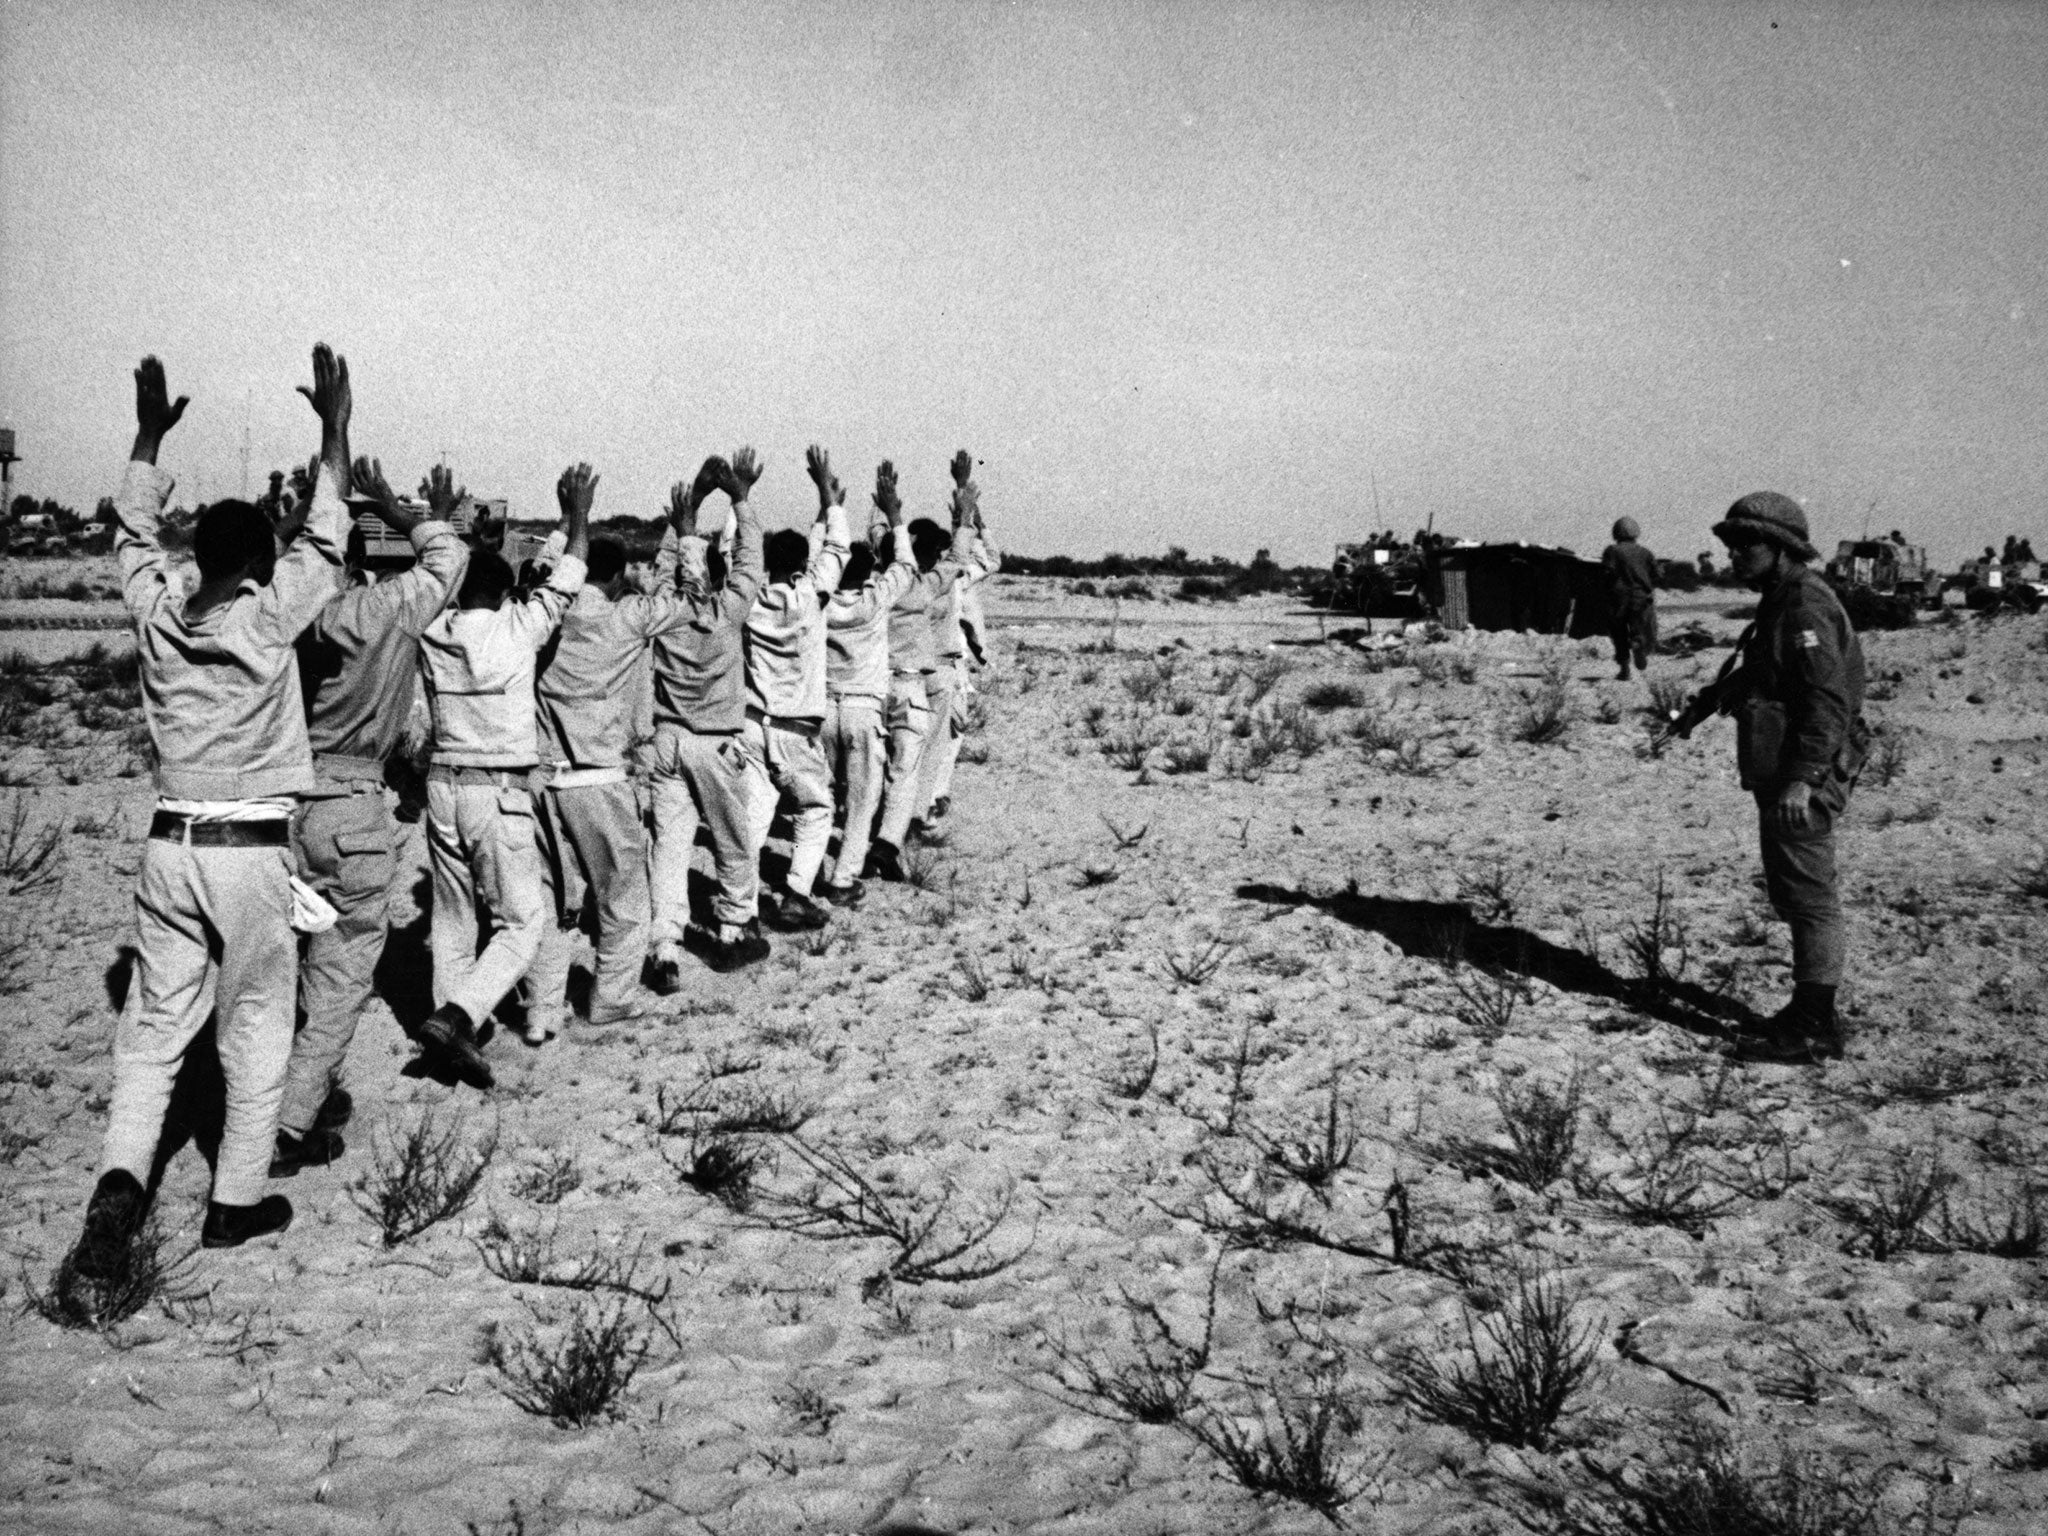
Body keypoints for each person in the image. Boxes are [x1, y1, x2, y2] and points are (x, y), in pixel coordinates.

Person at [69, 347, 352, 1278]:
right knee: (259, 1023)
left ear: (200, 559)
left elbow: (131, 535)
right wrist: (335, 430)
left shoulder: (160, 615)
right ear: (261, 564)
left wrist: (148, 436)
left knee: (153, 1031)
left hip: (169, 846)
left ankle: (120, 1185)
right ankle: (234, 1201)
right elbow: (327, 538)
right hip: (249, 850)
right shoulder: (267, 620)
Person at [272, 455, 469, 1175]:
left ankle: (279, 1094)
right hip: (350, 804)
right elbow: (447, 558)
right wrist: (395, 507)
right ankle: (287, 1124)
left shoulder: (271, 612)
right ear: (355, 563)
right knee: (341, 975)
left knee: (275, 973)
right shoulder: (376, 611)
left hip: (275, 800)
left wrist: (299, 517)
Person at [1660, 491, 1868, 1064]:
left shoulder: (1803, 606)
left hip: (1803, 770)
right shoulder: (1781, 599)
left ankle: (1813, 1025)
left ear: (1780, 547)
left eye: (1744, 545)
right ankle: (1809, 1012)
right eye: (1730, 545)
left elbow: (1827, 701)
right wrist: (1701, 708)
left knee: (1808, 894)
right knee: (1794, 890)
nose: (1733, 556)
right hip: (1787, 766)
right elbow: (1762, 670)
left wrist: (1804, 779)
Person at [527, 466, 733, 1040]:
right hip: (598, 779)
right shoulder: (627, 618)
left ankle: (541, 1011)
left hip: (540, 780)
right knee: (623, 898)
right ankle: (611, 999)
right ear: (619, 577)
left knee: (550, 902)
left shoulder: (544, 613)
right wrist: (686, 533)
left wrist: (572, 518)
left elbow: (544, 571)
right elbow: (695, 600)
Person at [415, 466, 589, 1086]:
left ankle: (449, 1024)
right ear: (507, 592)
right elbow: (567, 574)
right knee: (523, 920)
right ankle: (460, 1015)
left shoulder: (434, 629)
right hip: (498, 787)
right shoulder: (520, 626)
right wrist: (577, 515)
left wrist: (440, 521)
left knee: (453, 917)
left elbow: (441, 575)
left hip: (443, 782)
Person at [645, 452, 771, 980]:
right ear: (717, 580)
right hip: (715, 742)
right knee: (732, 841)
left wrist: (688, 514)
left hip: (666, 741)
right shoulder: (727, 613)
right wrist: (740, 498)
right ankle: (732, 930)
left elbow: (663, 568)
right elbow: (750, 562)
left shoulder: (660, 611)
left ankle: (664, 946)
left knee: (669, 846)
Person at [740, 445, 851, 930]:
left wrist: (741, 497)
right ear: (802, 564)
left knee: (754, 815)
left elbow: (736, 552)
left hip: (750, 725)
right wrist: (829, 498)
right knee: (816, 807)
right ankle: (796, 894)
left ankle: (741, 906)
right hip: (794, 729)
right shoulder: (809, 597)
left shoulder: (749, 598)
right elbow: (837, 551)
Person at [818, 478, 917, 904]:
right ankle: (843, 878)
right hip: (862, 710)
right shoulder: (874, 600)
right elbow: (906, 567)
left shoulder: (818, 600)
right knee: (861, 801)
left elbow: (818, 558)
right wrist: (895, 516)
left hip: (823, 708)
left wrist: (827, 509)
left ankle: (807, 871)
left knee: (821, 799)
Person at [914, 452, 1000, 828]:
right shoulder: (953, 578)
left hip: (905, 670)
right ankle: (931, 802)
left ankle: (924, 801)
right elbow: (990, 558)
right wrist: (967, 507)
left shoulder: (895, 580)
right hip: (946, 669)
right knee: (946, 737)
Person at [1600, 517, 1658, 681]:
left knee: (1618, 632)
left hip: (1618, 598)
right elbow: (1657, 574)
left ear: (1616, 533)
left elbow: (1607, 572)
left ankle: (1624, 669)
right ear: (1636, 532)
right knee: (1640, 628)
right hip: (1641, 597)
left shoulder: (1612, 551)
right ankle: (1638, 644)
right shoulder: (1645, 552)